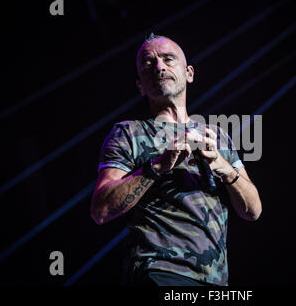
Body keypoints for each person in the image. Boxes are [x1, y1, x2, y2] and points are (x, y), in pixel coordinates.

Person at [90, 33, 262, 286]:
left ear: (189, 73)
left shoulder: (218, 137)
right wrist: (158, 165)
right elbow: (101, 210)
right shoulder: (128, 132)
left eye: (168, 59)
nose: (159, 66)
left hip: (215, 280)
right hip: (160, 272)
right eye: (149, 63)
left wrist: (222, 167)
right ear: (140, 86)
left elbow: (253, 210)